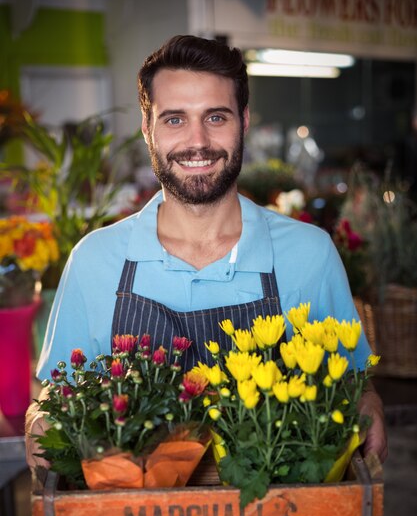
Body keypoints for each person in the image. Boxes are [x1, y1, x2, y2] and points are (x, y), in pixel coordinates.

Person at [25, 34, 387, 467]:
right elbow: (54, 394)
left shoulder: (310, 254)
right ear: (147, 129)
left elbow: (353, 384)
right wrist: (37, 421)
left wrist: (370, 403)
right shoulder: (94, 261)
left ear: (245, 121)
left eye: (216, 117)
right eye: (174, 120)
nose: (198, 142)